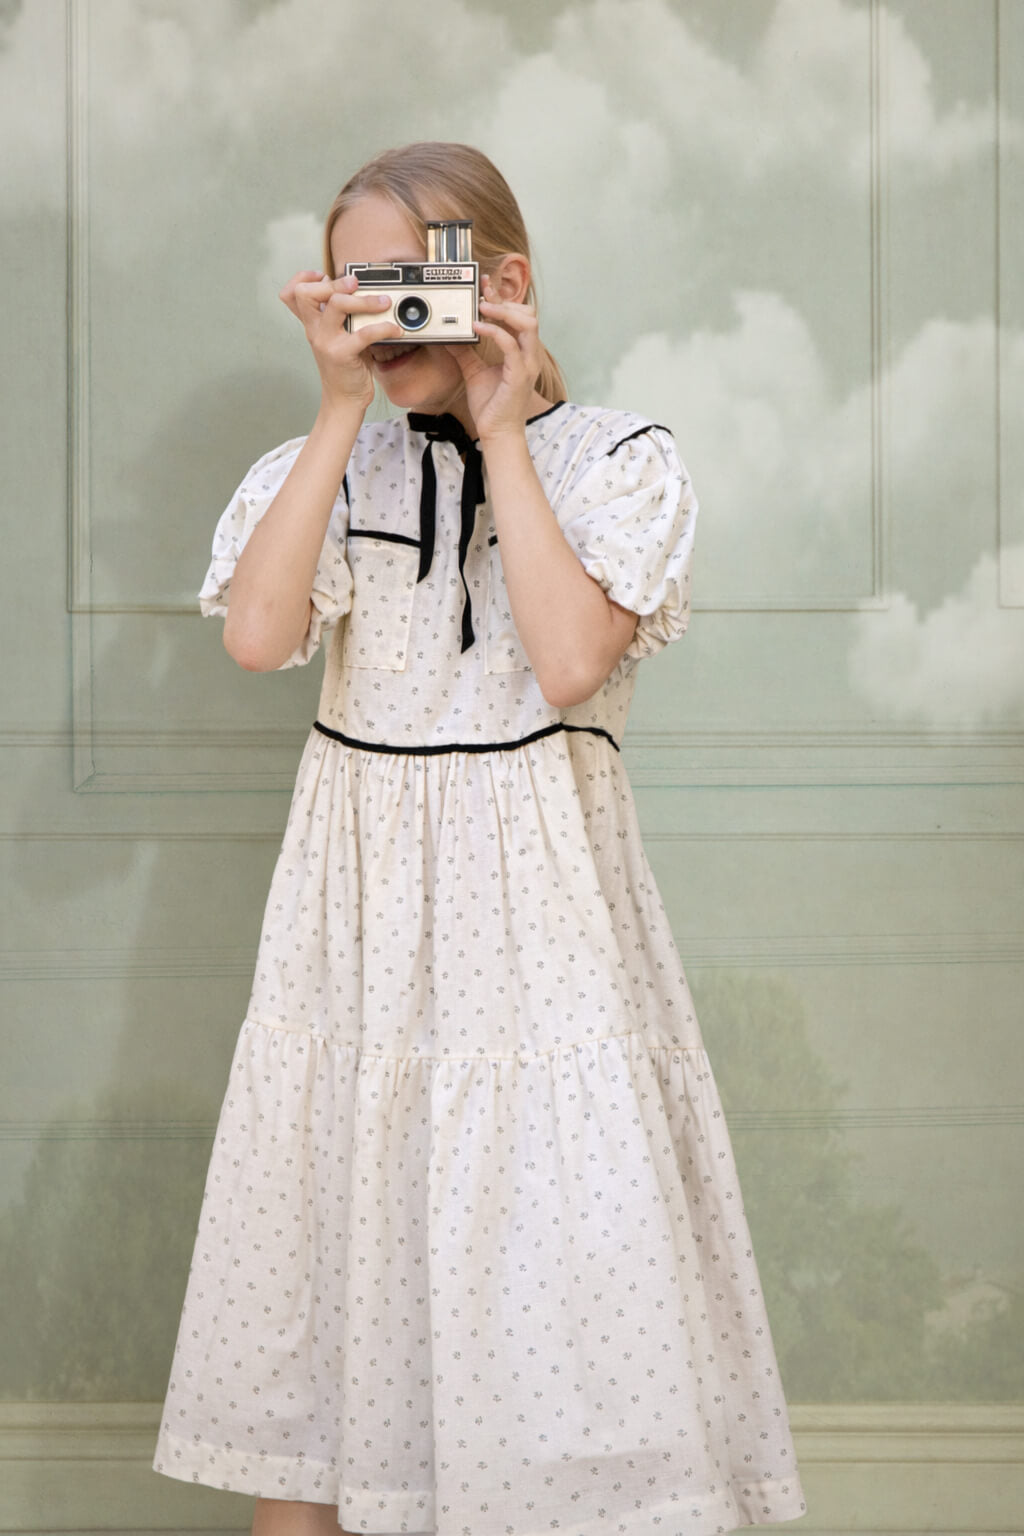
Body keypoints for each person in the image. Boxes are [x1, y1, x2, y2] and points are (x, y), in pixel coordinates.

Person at [153, 141, 807, 1536]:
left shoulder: (616, 460)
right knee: (327, 1353)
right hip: (361, 944)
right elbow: (263, 639)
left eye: (409, 280)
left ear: (498, 282)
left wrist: (505, 430)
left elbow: (568, 664)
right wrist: (335, 415)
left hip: (543, 949)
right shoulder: (318, 466)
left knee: (564, 1337)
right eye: (353, 284)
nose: (382, 315)